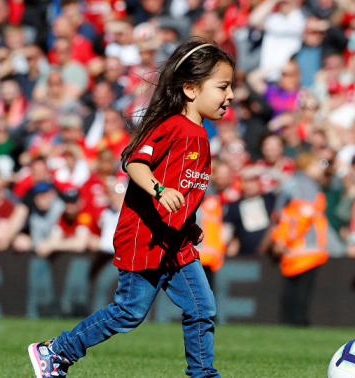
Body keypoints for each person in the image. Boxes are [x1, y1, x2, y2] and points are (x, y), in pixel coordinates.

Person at [28, 39, 235, 378]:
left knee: (202, 308)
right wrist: (159, 189)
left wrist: (190, 222)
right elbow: (135, 163)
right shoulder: (170, 125)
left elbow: (187, 187)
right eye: (223, 87)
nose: (229, 96)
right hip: (145, 236)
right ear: (191, 89)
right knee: (129, 311)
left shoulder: (201, 135)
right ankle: (55, 352)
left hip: (176, 240)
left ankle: (203, 375)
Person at [269, 152, 329, 326]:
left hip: (292, 248)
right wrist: (286, 240)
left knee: (291, 289)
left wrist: (281, 239)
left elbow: (281, 215)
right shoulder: (307, 185)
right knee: (301, 292)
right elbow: (302, 217)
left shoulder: (292, 183)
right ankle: (298, 322)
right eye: (318, 164)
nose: (321, 169)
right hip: (304, 247)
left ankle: (288, 322)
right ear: (308, 166)